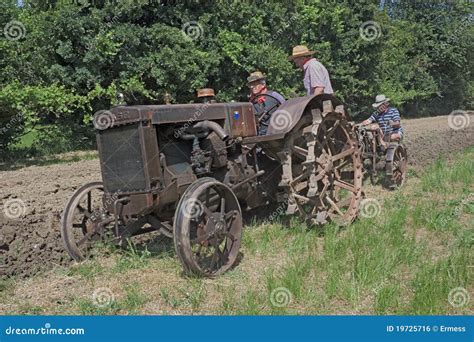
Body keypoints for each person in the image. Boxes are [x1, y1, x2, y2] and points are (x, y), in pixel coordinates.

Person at [247, 71, 285, 135]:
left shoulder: (274, 95)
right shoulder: (251, 102)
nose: (252, 87)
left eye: (255, 84)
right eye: (251, 84)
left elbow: (287, 107)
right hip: (261, 134)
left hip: (277, 131)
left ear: (263, 85)